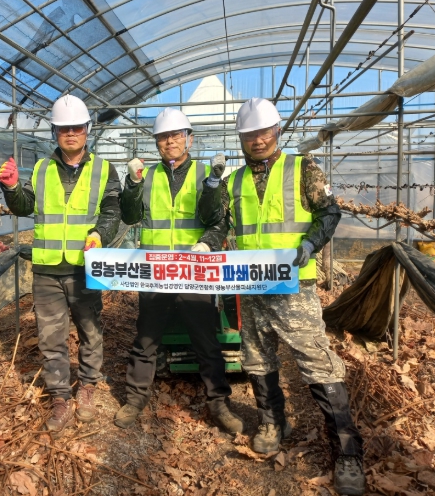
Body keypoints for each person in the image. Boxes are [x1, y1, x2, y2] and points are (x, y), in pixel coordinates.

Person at [198, 97, 364, 495]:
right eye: (249, 134)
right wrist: (207, 243)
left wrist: (309, 244)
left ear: (277, 131)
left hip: (294, 288)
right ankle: (273, 422)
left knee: (318, 364)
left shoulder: (302, 168)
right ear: (241, 138)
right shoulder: (234, 181)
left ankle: (347, 452)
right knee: (257, 359)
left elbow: (329, 212)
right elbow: (221, 224)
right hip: (253, 286)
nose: (258, 140)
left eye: (264, 132)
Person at [113, 107, 243, 435]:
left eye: (175, 135)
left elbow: (219, 220)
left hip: (194, 271)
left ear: (189, 139)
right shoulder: (147, 176)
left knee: (206, 338)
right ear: (156, 142)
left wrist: (208, 242)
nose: (169, 141)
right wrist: (132, 184)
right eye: (162, 137)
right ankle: (135, 399)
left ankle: (219, 403)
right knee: (146, 337)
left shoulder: (206, 174)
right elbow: (130, 216)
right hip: (156, 272)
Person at [0, 94, 121, 435]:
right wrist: (11, 188)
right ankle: (60, 397)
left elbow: (112, 211)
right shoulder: (41, 168)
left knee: (90, 331)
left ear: (87, 130)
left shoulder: (105, 169)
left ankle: (88, 387)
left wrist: (99, 233)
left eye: (77, 128)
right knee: (51, 337)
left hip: (85, 267)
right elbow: (24, 206)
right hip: (47, 270)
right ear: (54, 132)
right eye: (64, 129)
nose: (70, 134)